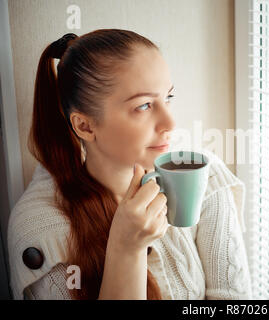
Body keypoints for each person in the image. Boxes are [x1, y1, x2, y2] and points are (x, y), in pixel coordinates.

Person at [7, 29, 252, 300]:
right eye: (145, 106)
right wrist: (126, 249)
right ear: (85, 126)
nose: (170, 123)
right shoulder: (44, 232)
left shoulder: (202, 176)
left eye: (168, 98)